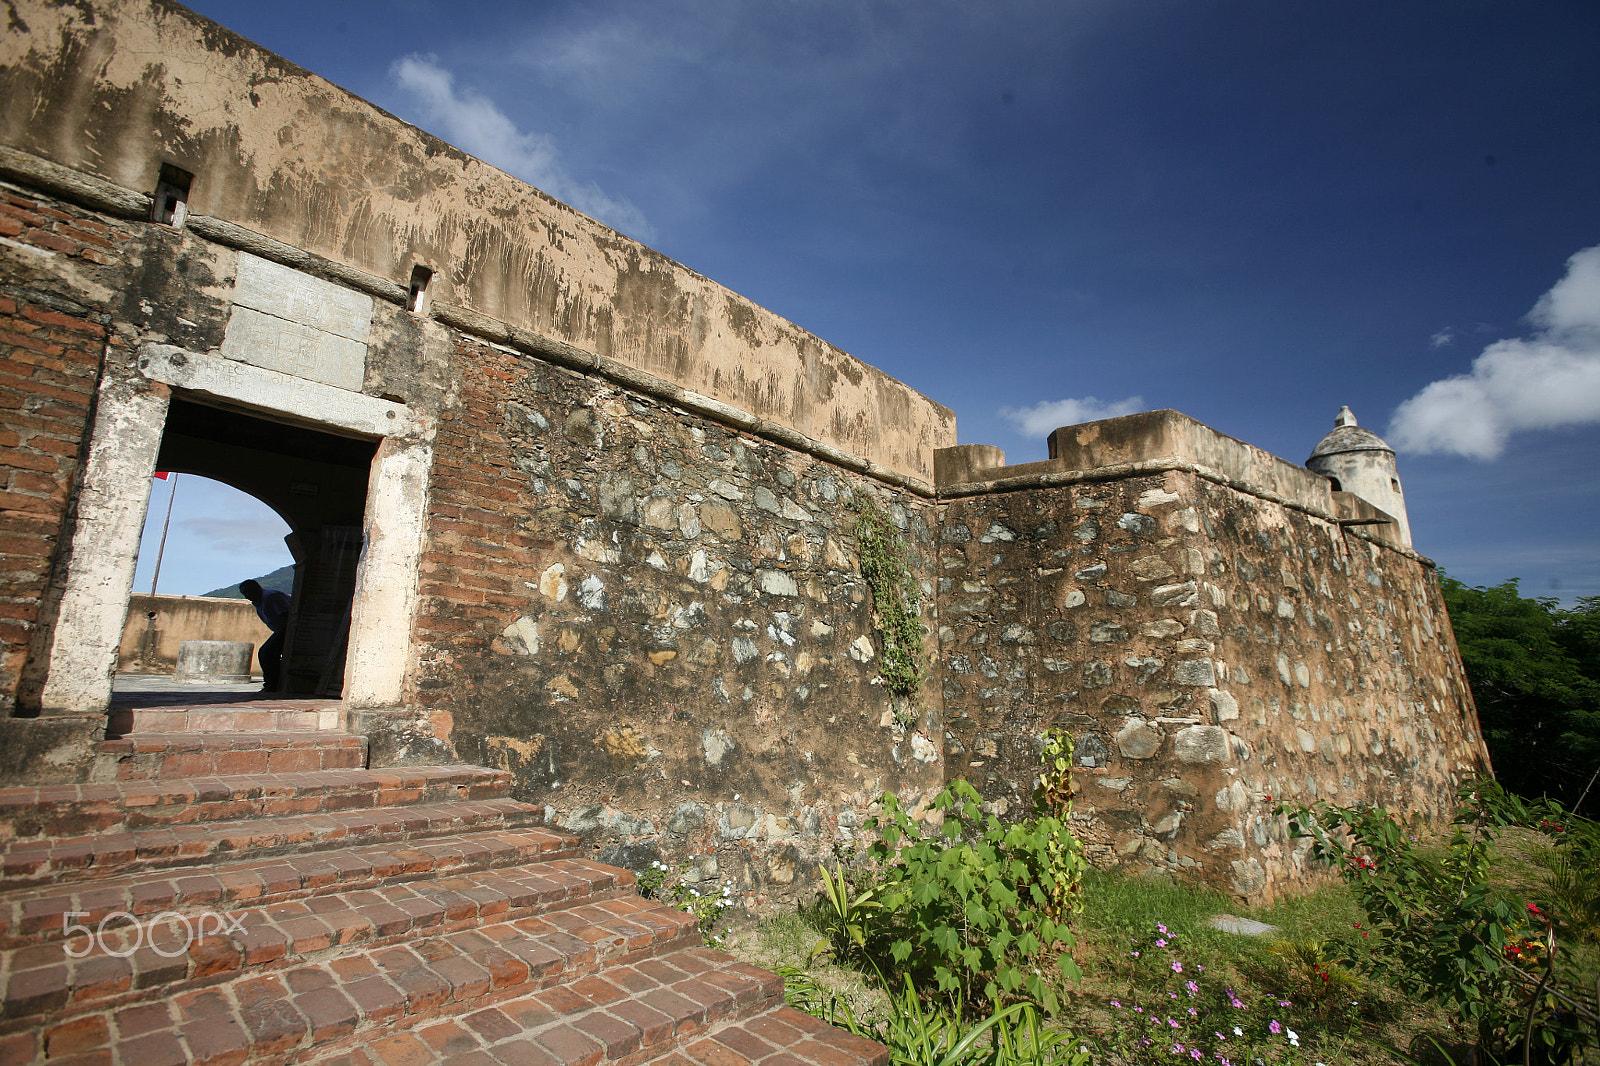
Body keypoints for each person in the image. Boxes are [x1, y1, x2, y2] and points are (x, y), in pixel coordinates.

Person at [239, 579, 290, 692]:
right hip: (280, 631)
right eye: (245, 594)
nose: (247, 595)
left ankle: (272, 684)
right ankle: (273, 682)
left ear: (257, 588)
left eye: (248, 591)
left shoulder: (271, 597)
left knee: (267, 653)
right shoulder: (259, 601)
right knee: (266, 653)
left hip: (287, 630)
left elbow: (287, 614)